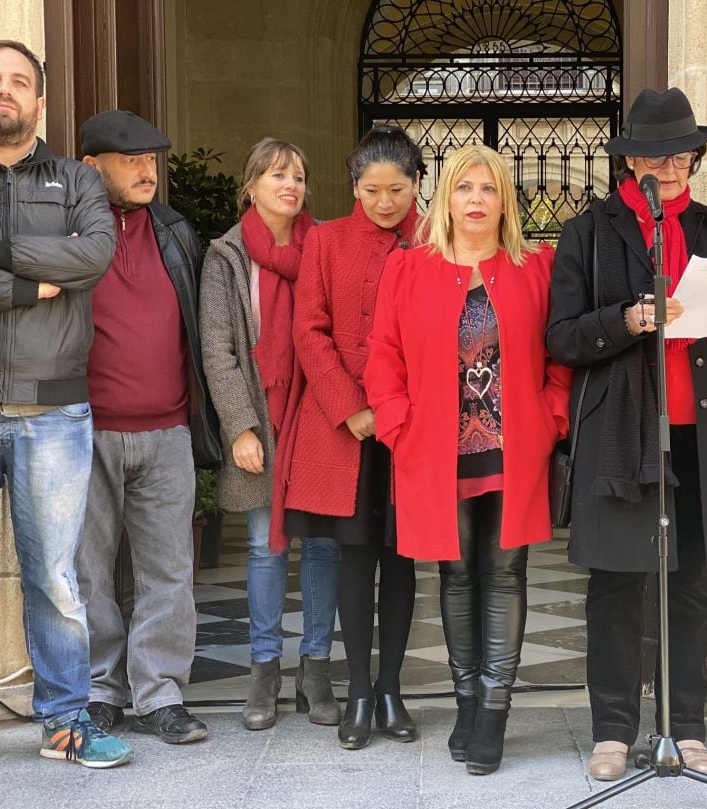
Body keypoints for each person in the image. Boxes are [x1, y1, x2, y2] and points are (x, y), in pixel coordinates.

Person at [547, 87, 707, 782]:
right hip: (624, 429)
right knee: (617, 582)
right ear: (630, 161)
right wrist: (631, 318)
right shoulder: (589, 231)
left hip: (702, 429)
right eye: (657, 156)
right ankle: (613, 731)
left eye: (683, 156)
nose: (672, 169)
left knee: (692, 582)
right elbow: (561, 336)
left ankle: (686, 726)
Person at [365, 145, 571, 775]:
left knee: (506, 570)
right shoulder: (409, 269)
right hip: (437, 450)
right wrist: (398, 425)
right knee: (455, 575)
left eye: (488, 188)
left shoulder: (538, 265)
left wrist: (551, 417)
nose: (476, 200)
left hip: (515, 447)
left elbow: (560, 356)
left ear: (504, 199)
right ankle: (464, 701)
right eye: (463, 188)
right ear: (444, 199)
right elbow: (383, 354)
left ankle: (494, 711)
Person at [0, 39, 132, 767]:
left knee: (55, 579)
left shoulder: (76, 180)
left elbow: (92, 257)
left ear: (41, 101)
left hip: (55, 412)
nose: (4, 91)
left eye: (18, 82)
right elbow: (65, 265)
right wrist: (38, 277)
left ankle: (66, 721)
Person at [73, 110, 220, 745]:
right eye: (131, 159)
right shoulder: (69, 232)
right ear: (90, 167)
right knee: (88, 570)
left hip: (167, 433)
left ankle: (160, 694)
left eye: (152, 159)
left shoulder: (177, 233)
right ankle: (100, 689)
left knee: (169, 570)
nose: (147, 171)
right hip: (84, 430)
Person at [284, 125, 423, 750]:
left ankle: (392, 689)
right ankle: (359, 694)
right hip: (341, 430)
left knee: (401, 557)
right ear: (355, 187)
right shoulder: (325, 240)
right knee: (352, 555)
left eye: (397, 189)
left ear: (418, 184)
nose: (385, 202)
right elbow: (309, 332)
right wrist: (351, 408)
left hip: (411, 426)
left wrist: (395, 409)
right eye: (372, 190)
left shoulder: (432, 242)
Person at [200, 138, 340, 731]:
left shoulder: (323, 246)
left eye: (299, 175)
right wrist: (241, 427)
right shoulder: (227, 256)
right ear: (250, 185)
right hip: (261, 421)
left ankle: (316, 667)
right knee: (265, 547)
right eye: (278, 174)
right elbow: (219, 349)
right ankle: (264, 671)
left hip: (318, 420)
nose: (291, 185)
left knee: (324, 545)